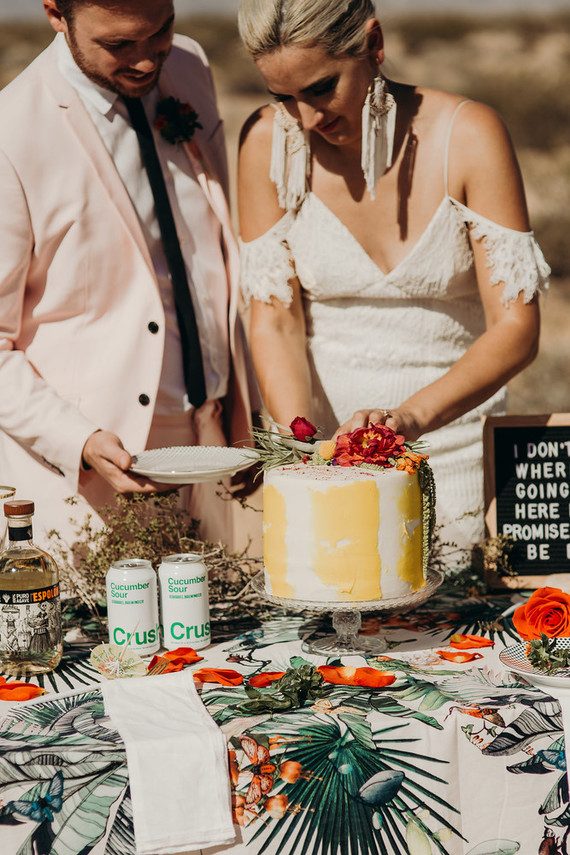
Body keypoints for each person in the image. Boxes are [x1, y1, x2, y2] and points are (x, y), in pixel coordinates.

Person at [236, 0, 550, 564]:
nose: (305, 118)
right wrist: (303, 452)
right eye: (283, 96)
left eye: (321, 87)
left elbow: (517, 328)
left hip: (457, 456)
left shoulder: (469, 135)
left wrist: (406, 421)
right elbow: (275, 320)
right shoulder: (266, 141)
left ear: (373, 45)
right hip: (327, 473)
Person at [0, 0, 257, 550]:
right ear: (55, 13)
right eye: (118, 45)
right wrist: (80, 439)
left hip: (218, 448)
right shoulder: (11, 132)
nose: (145, 62)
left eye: (159, 31)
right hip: (95, 473)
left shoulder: (188, 64)